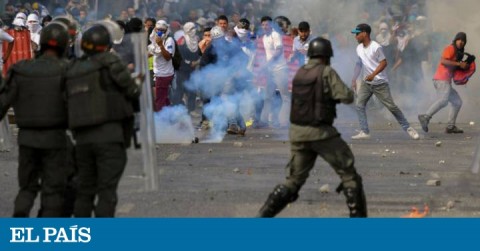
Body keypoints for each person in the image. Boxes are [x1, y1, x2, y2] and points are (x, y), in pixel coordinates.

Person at [257, 37, 367, 217]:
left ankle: (261, 217)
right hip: (320, 132)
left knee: (293, 181)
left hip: (297, 133)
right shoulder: (326, 72)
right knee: (349, 176)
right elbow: (347, 97)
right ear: (326, 56)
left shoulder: (300, 72)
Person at [66, 22, 141, 217]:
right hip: (111, 136)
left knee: (85, 190)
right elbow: (132, 91)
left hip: (82, 139)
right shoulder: (112, 62)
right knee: (107, 192)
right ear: (107, 44)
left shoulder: (73, 68)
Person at [0, 22, 70, 217]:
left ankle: (19, 230)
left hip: (27, 139)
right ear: (64, 45)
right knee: (53, 190)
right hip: (56, 140)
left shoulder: (21, 69)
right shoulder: (69, 70)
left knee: (27, 189)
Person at [350, 23, 419, 140]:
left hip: (380, 83)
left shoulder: (376, 47)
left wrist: (373, 75)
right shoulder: (359, 48)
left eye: (357, 34)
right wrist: (354, 78)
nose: (355, 36)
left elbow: (384, 63)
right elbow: (359, 63)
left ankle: (408, 128)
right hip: (367, 83)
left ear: (364, 33)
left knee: (391, 107)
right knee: (359, 105)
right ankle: (365, 131)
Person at [418, 32, 469, 134]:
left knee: (457, 102)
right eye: (460, 40)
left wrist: (464, 68)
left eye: (463, 41)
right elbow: (443, 61)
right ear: (456, 40)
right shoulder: (450, 48)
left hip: (446, 81)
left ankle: (450, 126)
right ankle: (425, 117)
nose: (461, 42)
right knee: (443, 100)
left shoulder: (458, 54)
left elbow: (455, 69)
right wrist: (459, 64)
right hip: (441, 79)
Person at [148, 20, 175, 112]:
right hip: (158, 72)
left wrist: (161, 45)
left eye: (162, 30)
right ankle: (171, 117)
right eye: (158, 30)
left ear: (166, 30)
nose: (159, 32)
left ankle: (161, 121)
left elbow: (168, 57)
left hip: (164, 74)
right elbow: (151, 52)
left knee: (159, 99)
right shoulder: (155, 39)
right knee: (164, 97)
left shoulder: (169, 40)